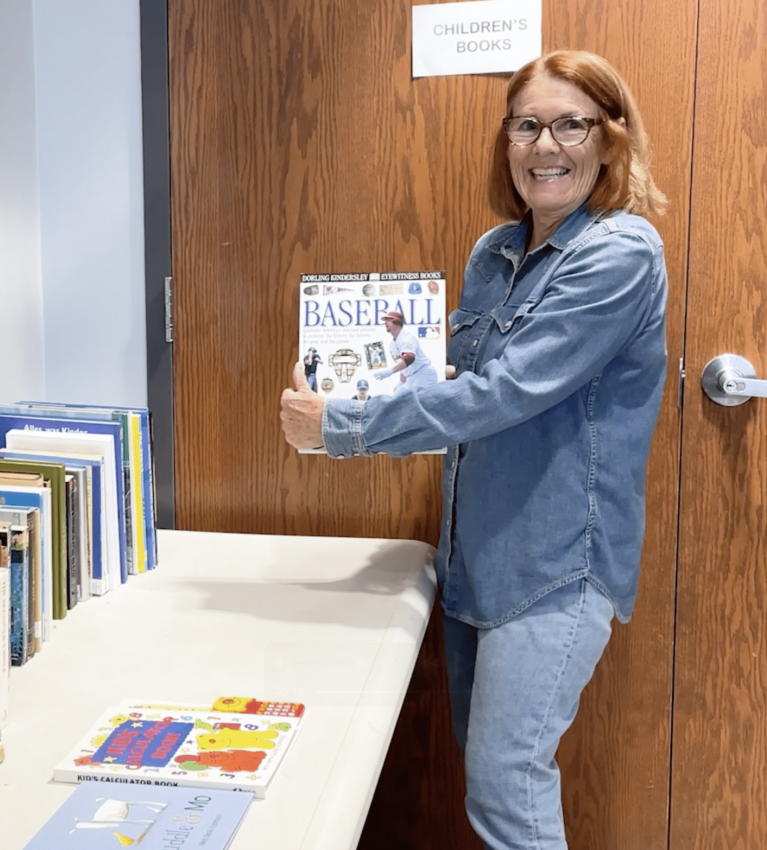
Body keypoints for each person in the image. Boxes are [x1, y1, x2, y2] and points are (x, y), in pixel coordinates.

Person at [280, 50, 668, 850]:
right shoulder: (495, 254)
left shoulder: (621, 255)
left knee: (506, 788)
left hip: (556, 568)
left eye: (571, 123)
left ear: (611, 139)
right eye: (526, 125)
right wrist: (355, 379)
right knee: (491, 774)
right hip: (475, 559)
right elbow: (455, 379)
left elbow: (504, 395)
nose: (545, 144)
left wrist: (345, 427)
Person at [374, 310, 438, 393]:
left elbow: (409, 358)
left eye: (389, 320)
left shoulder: (407, 338)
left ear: (397, 322)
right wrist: (401, 382)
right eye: (385, 320)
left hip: (424, 373)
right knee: (397, 393)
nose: (386, 323)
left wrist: (390, 371)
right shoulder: (392, 345)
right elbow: (404, 367)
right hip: (411, 377)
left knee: (411, 400)